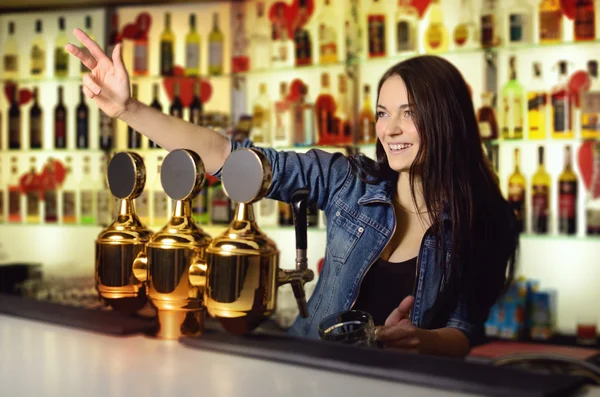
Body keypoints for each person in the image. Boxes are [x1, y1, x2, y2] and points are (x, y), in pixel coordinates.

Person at [66, 28, 517, 358]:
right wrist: (128, 108)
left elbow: (463, 328)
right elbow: (230, 157)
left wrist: (422, 340)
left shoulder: (482, 217)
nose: (390, 129)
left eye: (409, 113)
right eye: (382, 113)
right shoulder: (347, 182)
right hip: (307, 369)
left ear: (447, 118)